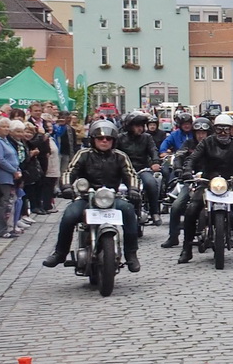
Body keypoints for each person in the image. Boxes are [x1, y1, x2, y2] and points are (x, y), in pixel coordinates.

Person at [42, 120, 143, 271]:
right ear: (93, 139)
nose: (104, 141)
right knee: (69, 216)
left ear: (113, 141)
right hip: (86, 197)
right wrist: (67, 186)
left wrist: (134, 189)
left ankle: (131, 254)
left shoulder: (120, 156)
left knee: (129, 213)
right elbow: (69, 171)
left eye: (108, 139)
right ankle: (60, 253)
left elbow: (131, 174)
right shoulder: (83, 154)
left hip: (111, 198)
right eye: (100, 138)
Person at [179, 114, 233, 263]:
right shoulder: (206, 143)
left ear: (232, 129)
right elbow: (192, 159)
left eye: (226, 129)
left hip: (231, 182)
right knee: (191, 209)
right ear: (214, 129)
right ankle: (186, 249)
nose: (223, 133)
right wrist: (187, 170)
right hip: (208, 182)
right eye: (219, 129)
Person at [160, 118, 211, 247]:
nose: (201, 135)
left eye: (203, 132)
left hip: (213, 182)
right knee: (177, 205)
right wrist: (179, 169)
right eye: (198, 132)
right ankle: (173, 237)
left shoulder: (214, 144)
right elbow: (179, 156)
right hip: (192, 180)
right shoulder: (188, 144)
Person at [116, 113, 163, 221]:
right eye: (137, 126)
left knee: (151, 183)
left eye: (142, 126)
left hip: (142, 169)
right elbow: (113, 153)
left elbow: (153, 150)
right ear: (129, 126)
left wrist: (155, 162)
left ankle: (154, 212)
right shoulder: (120, 138)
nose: (140, 128)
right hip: (123, 170)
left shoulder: (147, 137)